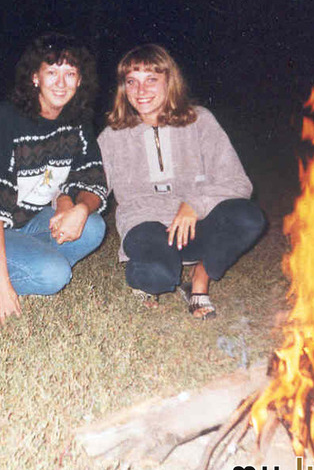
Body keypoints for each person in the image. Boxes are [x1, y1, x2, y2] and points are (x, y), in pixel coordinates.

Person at [97, 44, 265, 319]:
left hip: (195, 226)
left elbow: (238, 182)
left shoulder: (199, 121)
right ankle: (150, 274)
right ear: (123, 88)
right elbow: (91, 186)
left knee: (248, 217)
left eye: (151, 79)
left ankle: (199, 279)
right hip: (146, 226)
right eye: (132, 81)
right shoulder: (112, 136)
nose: (141, 90)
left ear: (169, 81)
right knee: (156, 276)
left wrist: (195, 205)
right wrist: (68, 204)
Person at [0, 33, 108, 324]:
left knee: (93, 226)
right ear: (35, 77)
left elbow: (92, 180)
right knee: (54, 275)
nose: (61, 83)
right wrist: (0, 283)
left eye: (70, 73)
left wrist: (79, 207)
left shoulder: (78, 122)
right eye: (52, 72)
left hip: (27, 221)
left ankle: (10, 266)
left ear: (80, 81)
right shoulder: (6, 118)